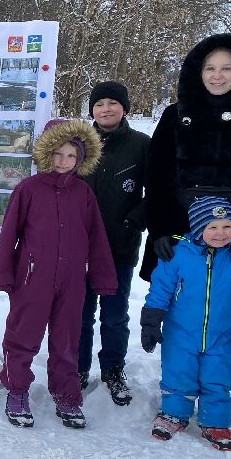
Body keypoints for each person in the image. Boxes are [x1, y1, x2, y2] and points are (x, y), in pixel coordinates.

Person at [0, 119, 117, 429]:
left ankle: (66, 394)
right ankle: (17, 391)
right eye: (58, 154)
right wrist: (4, 274)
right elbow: (9, 235)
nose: (64, 161)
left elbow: (97, 239)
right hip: (32, 278)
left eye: (71, 156)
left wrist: (102, 277)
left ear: (81, 159)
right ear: (48, 154)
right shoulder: (29, 189)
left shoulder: (84, 194)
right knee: (22, 336)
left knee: (67, 339)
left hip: (72, 281)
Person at [143, 34, 231, 295]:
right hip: (177, 240)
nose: (217, 75)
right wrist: (160, 230)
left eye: (227, 68)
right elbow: (156, 178)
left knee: (220, 318)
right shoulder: (175, 116)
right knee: (174, 317)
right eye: (210, 68)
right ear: (199, 72)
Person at [141, 196, 231, 452]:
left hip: (223, 335)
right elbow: (160, 289)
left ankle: (215, 422)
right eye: (212, 227)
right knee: (179, 373)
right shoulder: (177, 255)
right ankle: (173, 415)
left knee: (218, 378)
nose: (220, 233)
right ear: (197, 228)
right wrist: (150, 321)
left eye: (226, 226)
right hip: (180, 333)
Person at [78, 81, 149, 406]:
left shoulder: (141, 145)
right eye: (99, 104)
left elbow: (158, 192)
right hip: (79, 247)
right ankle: (76, 369)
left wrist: (133, 220)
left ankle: (112, 369)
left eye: (112, 103)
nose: (106, 109)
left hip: (119, 247)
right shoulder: (78, 143)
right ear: (91, 109)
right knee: (79, 313)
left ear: (124, 107)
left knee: (115, 314)